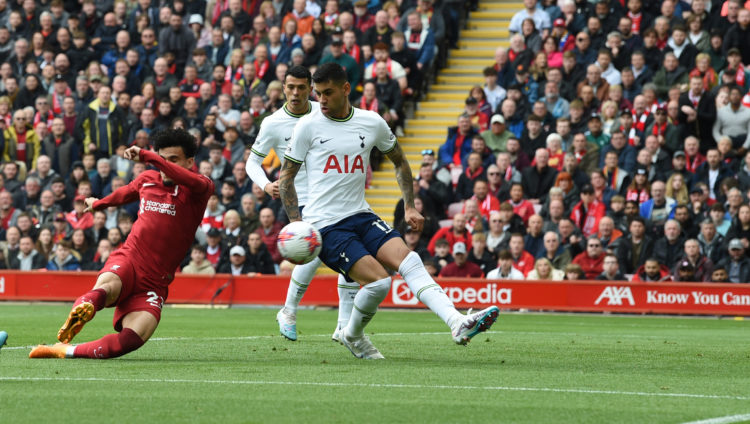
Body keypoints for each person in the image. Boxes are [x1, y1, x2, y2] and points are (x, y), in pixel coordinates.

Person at [279, 63, 498, 359]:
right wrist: (298, 225)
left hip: (361, 214)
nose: (322, 101)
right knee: (380, 282)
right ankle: (353, 336)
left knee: (411, 260)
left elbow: (399, 161)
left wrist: (409, 205)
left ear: (346, 89)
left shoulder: (371, 122)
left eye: (328, 93)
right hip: (326, 226)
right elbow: (285, 178)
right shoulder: (308, 125)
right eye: (318, 94)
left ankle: (457, 322)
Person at [30, 129, 214, 359]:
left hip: (155, 281)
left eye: (173, 160)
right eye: (163, 158)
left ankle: (64, 350)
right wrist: (99, 204)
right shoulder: (148, 180)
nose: (165, 165)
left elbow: (181, 176)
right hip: (130, 258)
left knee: (132, 339)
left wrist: (149, 156)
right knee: (108, 287)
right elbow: (123, 194)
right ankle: (85, 308)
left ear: (190, 161)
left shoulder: (200, 187)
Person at [244, 66, 354, 342]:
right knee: (313, 249)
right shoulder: (273, 123)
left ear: (310, 89)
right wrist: (265, 184)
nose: (295, 93)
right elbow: (252, 162)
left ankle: (342, 324)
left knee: (353, 253)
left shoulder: (324, 111)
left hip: (336, 193)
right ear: (283, 88)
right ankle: (289, 310)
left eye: (301, 88)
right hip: (302, 198)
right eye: (290, 87)